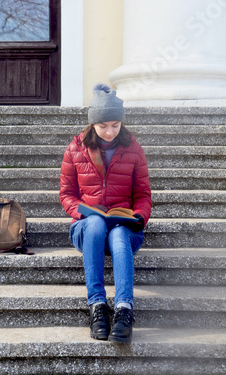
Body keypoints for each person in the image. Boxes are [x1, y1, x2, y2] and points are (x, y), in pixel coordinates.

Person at [59, 83, 152, 343]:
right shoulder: (75, 149)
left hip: (124, 225)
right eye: (103, 126)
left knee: (120, 236)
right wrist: (85, 213)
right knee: (97, 224)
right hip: (87, 228)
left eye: (115, 125)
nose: (110, 132)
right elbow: (66, 194)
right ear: (92, 124)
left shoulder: (133, 149)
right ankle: (98, 307)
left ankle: (124, 310)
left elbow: (143, 195)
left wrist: (139, 217)